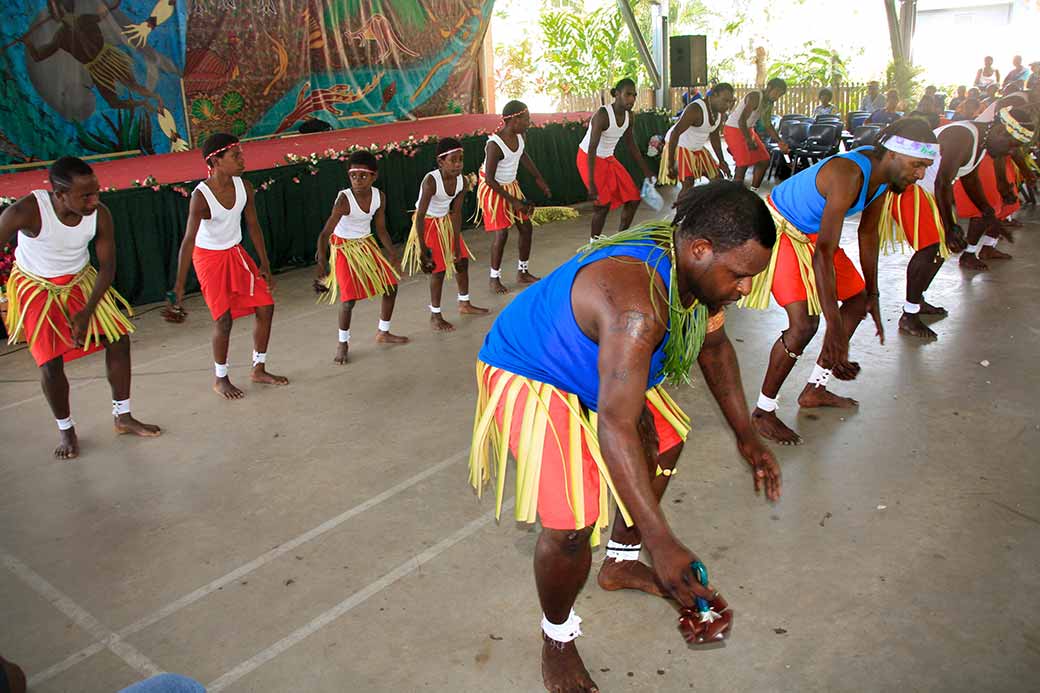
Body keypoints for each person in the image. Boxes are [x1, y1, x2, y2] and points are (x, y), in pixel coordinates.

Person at [469, 181, 781, 692]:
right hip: (531, 368)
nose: (745, 288)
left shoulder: (691, 268)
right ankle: (557, 636)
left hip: (605, 366)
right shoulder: (640, 305)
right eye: (740, 275)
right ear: (700, 250)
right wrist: (663, 542)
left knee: (668, 438)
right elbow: (615, 424)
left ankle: (618, 563)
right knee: (571, 521)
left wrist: (747, 435)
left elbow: (715, 348)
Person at [741, 118, 936, 446]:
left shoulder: (883, 178)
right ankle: (763, 412)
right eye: (917, 165)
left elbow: (868, 233)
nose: (920, 175)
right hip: (782, 228)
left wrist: (872, 292)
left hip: (812, 232)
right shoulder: (848, 174)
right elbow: (823, 256)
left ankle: (815, 388)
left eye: (925, 167)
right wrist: (833, 325)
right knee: (804, 325)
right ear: (892, 154)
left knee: (857, 300)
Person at [0, 157, 161, 459]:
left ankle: (122, 416)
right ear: (59, 195)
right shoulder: (25, 211)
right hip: (36, 286)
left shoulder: (100, 214)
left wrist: (86, 313)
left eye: (96, 192)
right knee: (50, 361)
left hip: (81, 281)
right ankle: (66, 430)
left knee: (118, 339)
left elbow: (108, 266)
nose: (94, 200)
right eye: (85, 195)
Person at [171, 133, 289, 399]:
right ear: (215, 161)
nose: (242, 159)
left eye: (241, 154)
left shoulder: (244, 186)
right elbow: (188, 241)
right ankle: (220, 378)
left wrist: (264, 263)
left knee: (266, 306)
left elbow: (253, 225)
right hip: (209, 259)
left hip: (236, 253)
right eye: (235, 155)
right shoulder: (201, 197)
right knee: (223, 321)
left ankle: (258, 368)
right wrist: (178, 287)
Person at [314, 150, 408, 362]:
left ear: (374, 176)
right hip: (344, 248)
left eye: (363, 176)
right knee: (348, 301)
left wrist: (393, 255)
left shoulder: (379, 196)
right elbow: (324, 234)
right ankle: (342, 343)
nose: (357, 181)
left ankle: (383, 331)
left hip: (366, 244)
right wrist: (322, 263)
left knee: (391, 286)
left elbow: (381, 229)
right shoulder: (344, 200)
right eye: (353, 176)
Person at [404, 137, 489, 330]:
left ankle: (464, 303)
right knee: (438, 270)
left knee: (462, 261)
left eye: (461, 159)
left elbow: (456, 212)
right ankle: (435, 315)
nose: (458, 164)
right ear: (441, 162)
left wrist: (457, 245)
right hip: (427, 224)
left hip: (446, 222)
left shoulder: (462, 180)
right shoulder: (431, 182)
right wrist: (422, 248)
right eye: (453, 160)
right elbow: (420, 215)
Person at [477, 100, 551, 293]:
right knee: (502, 233)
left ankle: (523, 271)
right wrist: (515, 202)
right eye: (526, 119)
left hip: (510, 186)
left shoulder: (521, 135)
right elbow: (490, 180)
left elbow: (522, 155)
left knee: (526, 228)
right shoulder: (494, 145)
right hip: (493, 188)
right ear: (515, 120)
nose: (529, 122)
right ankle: (494, 278)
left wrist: (539, 179)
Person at [952, 108, 1036, 270]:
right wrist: (1020, 173)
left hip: (997, 156)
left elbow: (1010, 147)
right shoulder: (1014, 104)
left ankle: (988, 247)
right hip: (985, 158)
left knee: (1005, 204)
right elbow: (1009, 147)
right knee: (986, 207)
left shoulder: (1008, 135)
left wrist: (1007, 181)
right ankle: (968, 254)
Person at [577, 78, 656, 239]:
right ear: (617, 94)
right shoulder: (603, 115)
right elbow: (592, 148)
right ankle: (594, 244)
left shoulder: (630, 116)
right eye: (628, 94)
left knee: (633, 198)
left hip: (608, 158)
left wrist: (647, 171)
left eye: (634, 95)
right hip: (589, 157)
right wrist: (591, 182)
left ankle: (620, 238)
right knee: (602, 205)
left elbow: (631, 145)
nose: (632, 99)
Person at [659, 83, 735, 191]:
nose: (727, 105)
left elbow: (715, 138)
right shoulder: (695, 109)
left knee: (718, 179)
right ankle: (682, 208)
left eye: (729, 101)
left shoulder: (720, 114)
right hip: (679, 145)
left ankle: (709, 206)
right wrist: (670, 164)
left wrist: (722, 161)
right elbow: (675, 133)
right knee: (688, 183)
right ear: (714, 95)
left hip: (697, 148)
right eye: (725, 100)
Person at [723, 77, 790, 191]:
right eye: (776, 92)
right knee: (742, 163)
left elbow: (767, 125)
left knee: (764, 160)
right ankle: (734, 194)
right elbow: (741, 120)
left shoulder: (768, 103)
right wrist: (749, 140)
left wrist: (780, 142)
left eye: (780, 95)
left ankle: (754, 192)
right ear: (769, 88)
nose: (777, 96)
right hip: (734, 129)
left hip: (748, 129)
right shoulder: (755, 97)